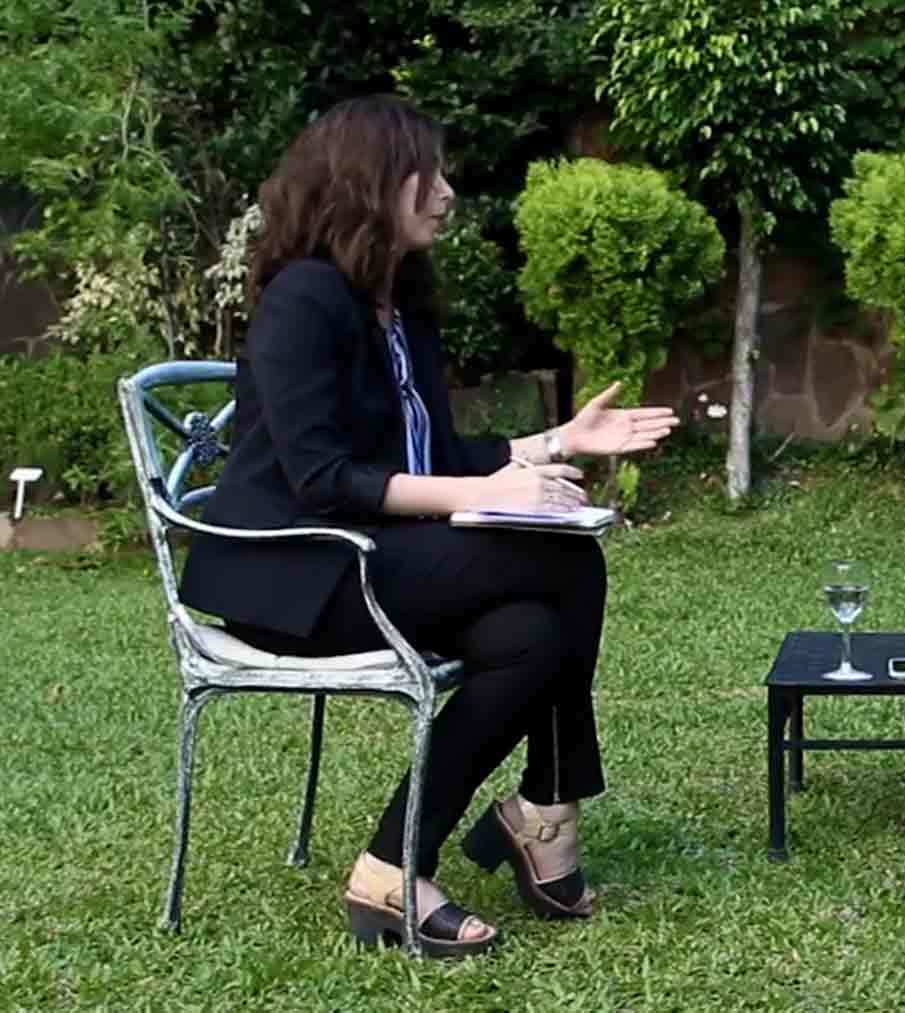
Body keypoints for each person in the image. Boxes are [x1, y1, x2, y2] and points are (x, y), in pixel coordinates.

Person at [178, 95, 679, 957]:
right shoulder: (305, 299)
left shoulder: (398, 307)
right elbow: (324, 478)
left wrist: (560, 441)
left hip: (377, 558)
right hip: (300, 575)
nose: (446, 193)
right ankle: (546, 809)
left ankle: (388, 865)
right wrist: (478, 496)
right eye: (428, 174)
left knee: (528, 631)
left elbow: (434, 451)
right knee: (562, 566)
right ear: (370, 184)